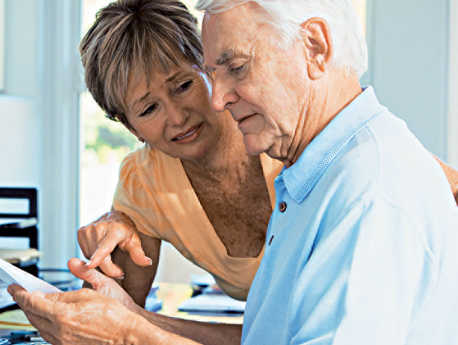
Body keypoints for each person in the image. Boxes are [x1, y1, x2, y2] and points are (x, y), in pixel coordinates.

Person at [9, 0, 458, 345]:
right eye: (215, 71)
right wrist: (129, 318)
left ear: (316, 47)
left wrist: (132, 335)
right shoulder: (310, 171)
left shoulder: (368, 186)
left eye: (235, 67)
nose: (217, 98)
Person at [77, 0, 458, 305]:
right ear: (129, 126)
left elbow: (433, 184)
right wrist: (111, 235)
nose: (177, 117)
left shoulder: (278, 128)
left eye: (182, 85)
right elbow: (115, 319)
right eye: (148, 109)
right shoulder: (143, 183)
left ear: (211, 67)